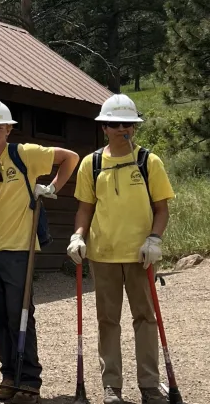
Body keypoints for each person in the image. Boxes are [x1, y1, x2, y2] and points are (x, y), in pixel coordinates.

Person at [0, 100, 79, 404]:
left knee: (20, 313)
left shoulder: (23, 154)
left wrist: (53, 187)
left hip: (19, 249)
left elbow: (71, 157)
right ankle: (9, 375)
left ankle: (29, 379)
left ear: (8, 129)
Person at [68, 94, 174, 404]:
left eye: (128, 123)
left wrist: (155, 239)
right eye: (114, 123)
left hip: (141, 255)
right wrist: (78, 236)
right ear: (104, 128)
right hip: (102, 254)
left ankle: (150, 385)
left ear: (135, 127)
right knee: (107, 320)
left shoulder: (149, 162)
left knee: (145, 318)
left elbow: (162, 209)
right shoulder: (92, 163)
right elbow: (84, 209)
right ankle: (111, 386)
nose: (121, 128)